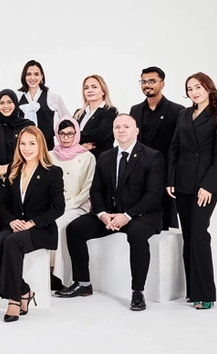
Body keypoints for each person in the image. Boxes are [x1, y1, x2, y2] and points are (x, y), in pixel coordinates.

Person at [58, 114, 164, 311]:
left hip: (141, 215)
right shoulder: (106, 156)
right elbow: (96, 190)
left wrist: (127, 216)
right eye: (117, 127)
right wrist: (102, 214)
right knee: (75, 228)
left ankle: (138, 291)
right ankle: (83, 283)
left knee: (137, 235)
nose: (121, 130)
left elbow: (153, 195)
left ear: (136, 131)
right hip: (110, 214)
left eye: (126, 126)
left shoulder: (152, 156)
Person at [167, 72, 217, 310]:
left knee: (199, 235)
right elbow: (174, 148)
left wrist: (208, 186)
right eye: (190, 88)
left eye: (198, 87)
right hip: (182, 184)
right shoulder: (184, 114)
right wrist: (170, 179)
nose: (194, 92)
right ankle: (192, 290)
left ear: (208, 88)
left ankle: (206, 294)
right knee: (189, 237)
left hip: (206, 185)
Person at [0, 126, 65, 322]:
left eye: (32, 143)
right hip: (16, 225)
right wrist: (12, 220)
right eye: (23, 143)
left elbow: (58, 208)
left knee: (12, 242)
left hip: (41, 229)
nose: (27, 148)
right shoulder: (13, 170)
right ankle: (24, 290)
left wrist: (32, 223)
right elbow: (4, 203)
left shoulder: (52, 172)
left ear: (40, 145)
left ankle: (14, 300)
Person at [130, 66, 183, 230]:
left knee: (168, 224)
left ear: (162, 84)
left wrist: (173, 176)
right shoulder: (135, 110)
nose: (147, 85)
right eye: (143, 81)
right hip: (140, 174)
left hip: (167, 174)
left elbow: (179, 146)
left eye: (152, 81)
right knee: (141, 222)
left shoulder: (178, 111)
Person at [47, 117, 97, 289]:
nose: (66, 138)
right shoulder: (50, 155)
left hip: (77, 206)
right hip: (53, 205)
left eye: (70, 134)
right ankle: (47, 272)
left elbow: (88, 187)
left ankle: (62, 277)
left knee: (60, 224)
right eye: (62, 134)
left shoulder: (87, 157)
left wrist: (68, 205)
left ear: (77, 134)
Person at [0, 90, 34, 205]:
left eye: (9, 102)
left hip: (22, 175)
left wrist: (9, 168)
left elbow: (32, 153)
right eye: (2, 103)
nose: (6, 106)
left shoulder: (27, 125)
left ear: (15, 104)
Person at [15, 60, 69, 150]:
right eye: (28, 74)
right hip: (24, 148)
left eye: (36, 74)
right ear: (24, 77)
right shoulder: (18, 98)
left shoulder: (52, 97)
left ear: (41, 77)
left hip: (46, 147)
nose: (32, 78)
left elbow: (67, 120)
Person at [74, 74, 118, 158]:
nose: (89, 90)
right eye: (86, 88)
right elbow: (67, 134)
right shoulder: (79, 113)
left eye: (94, 87)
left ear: (103, 91)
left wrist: (75, 134)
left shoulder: (110, 111)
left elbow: (101, 134)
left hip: (101, 160)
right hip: (78, 158)